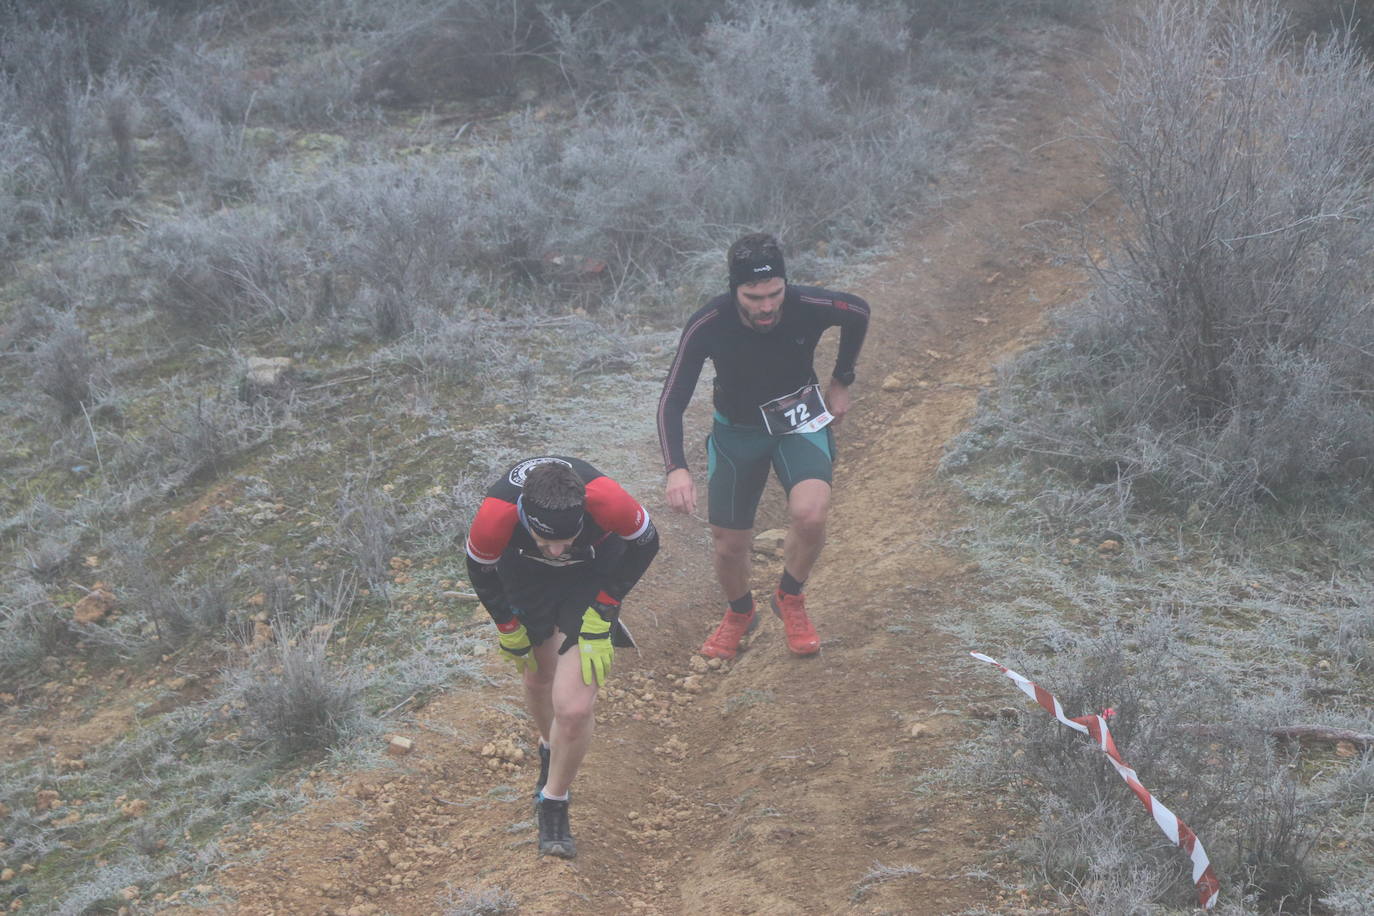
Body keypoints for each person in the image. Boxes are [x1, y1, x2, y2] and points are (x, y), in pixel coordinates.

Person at [657, 232, 869, 659]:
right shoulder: (709, 322)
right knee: (729, 544)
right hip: (737, 432)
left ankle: (790, 597)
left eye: (774, 293)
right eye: (754, 297)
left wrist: (842, 378)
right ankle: (739, 613)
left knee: (810, 515)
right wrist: (675, 467)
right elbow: (671, 400)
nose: (767, 306)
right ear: (735, 290)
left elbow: (859, 312)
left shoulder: (808, 305)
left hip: (800, 419)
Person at [465, 456, 659, 858]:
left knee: (571, 709)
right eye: (547, 539)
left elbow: (647, 542)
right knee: (538, 678)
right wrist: (505, 625)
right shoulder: (495, 516)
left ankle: (554, 802)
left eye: (567, 539)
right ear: (524, 515)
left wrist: (606, 606)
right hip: (524, 576)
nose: (557, 550)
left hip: (591, 577)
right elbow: (479, 569)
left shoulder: (607, 499)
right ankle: (548, 747)